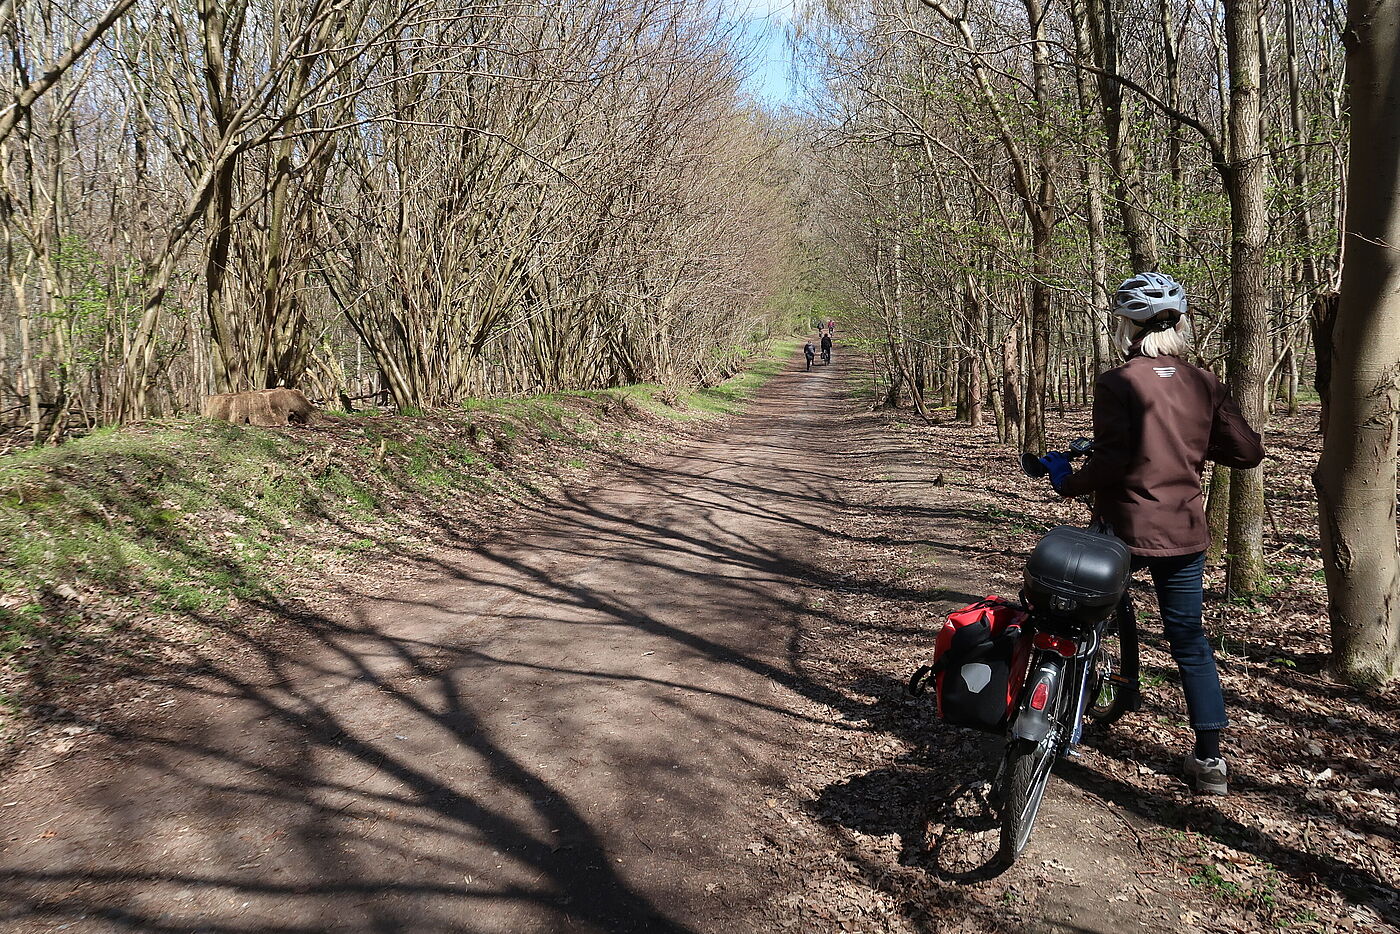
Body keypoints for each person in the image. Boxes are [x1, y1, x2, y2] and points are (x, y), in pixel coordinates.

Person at [1039, 272, 1264, 796]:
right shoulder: (1204, 381)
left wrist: (1068, 481)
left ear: (1128, 327)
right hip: (1184, 531)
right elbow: (1247, 452)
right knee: (1189, 639)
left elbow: (1114, 460)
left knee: (1084, 618)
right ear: (1179, 325)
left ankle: (1066, 714)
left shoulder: (1118, 382)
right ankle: (1210, 760)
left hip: (1123, 529)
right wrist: (1191, 449)